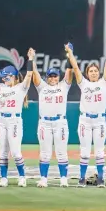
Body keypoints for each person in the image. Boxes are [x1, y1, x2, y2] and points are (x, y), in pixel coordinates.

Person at [0, 48, 33, 187]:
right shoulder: (2, 87)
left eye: (7, 76)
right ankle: (4, 178)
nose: (4, 78)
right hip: (1, 120)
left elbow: (29, 75)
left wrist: (31, 59)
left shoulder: (21, 88)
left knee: (16, 152)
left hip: (14, 120)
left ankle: (22, 177)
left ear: (14, 76)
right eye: (3, 77)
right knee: (3, 152)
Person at [65, 40, 106, 188]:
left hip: (99, 121)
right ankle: (81, 178)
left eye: (95, 71)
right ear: (87, 73)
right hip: (85, 120)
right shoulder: (83, 83)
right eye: (90, 71)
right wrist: (70, 53)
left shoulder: (104, 83)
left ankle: (101, 179)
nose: (93, 73)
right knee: (84, 151)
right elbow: (75, 67)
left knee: (99, 152)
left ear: (98, 73)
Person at [32, 47, 73, 188]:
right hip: (44, 123)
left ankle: (63, 178)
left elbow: (69, 71)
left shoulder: (64, 86)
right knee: (45, 152)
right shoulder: (42, 87)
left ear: (58, 76)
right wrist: (31, 59)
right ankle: (43, 179)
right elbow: (35, 74)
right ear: (47, 77)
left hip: (60, 122)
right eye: (51, 76)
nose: (53, 78)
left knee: (61, 152)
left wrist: (70, 54)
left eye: (55, 76)